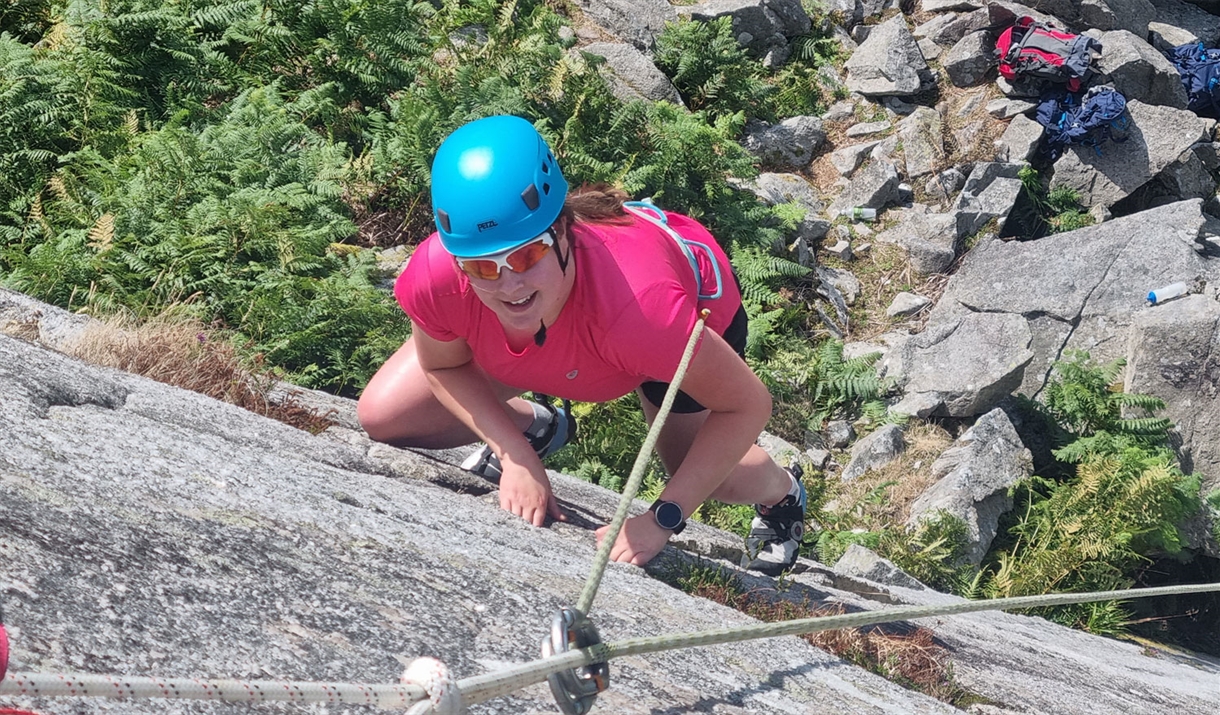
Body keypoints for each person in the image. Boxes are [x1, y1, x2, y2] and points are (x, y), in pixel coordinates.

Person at [357, 114, 806, 574]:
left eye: (527, 254)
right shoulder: (438, 277)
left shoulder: (646, 313)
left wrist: (663, 518)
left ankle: (782, 493)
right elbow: (443, 368)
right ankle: (538, 427)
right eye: (482, 268)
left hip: (675, 314)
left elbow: (748, 405)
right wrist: (516, 453)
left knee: (708, 474)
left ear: (564, 231)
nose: (510, 284)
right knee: (385, 416)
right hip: (578, 340)